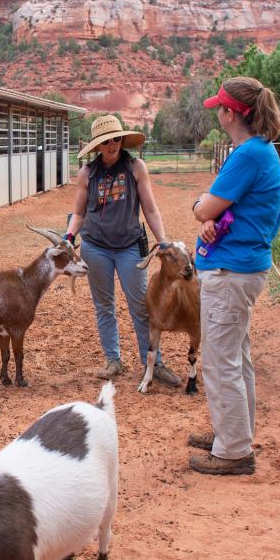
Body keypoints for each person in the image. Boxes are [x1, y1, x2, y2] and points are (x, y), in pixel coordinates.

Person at [188, 77, 280, 475]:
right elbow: (222, 212)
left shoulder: (247, 155)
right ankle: (232, 434)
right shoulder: (262, 152)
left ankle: (233, 452)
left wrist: (202, 211)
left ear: (231, 113)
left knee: (220, 361)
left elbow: (205, 207)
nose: (217, 113)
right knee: (236, 357)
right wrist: (210, 220)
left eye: (220, 108)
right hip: (241, 266)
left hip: (231, 272)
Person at [63, 114, 180, 385]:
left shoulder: (136, 167)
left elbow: (149, 208)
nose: (112, 145)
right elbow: (79, 212)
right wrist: (69, 236)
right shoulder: (87, 173)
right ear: (97, 146)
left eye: (116, 139)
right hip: (95, 247)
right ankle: (113, 360)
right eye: (106, 141)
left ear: (122, 139)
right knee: (104, 305)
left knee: (140, 305)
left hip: (130, 246)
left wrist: (162, 239)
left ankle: (154, 362)